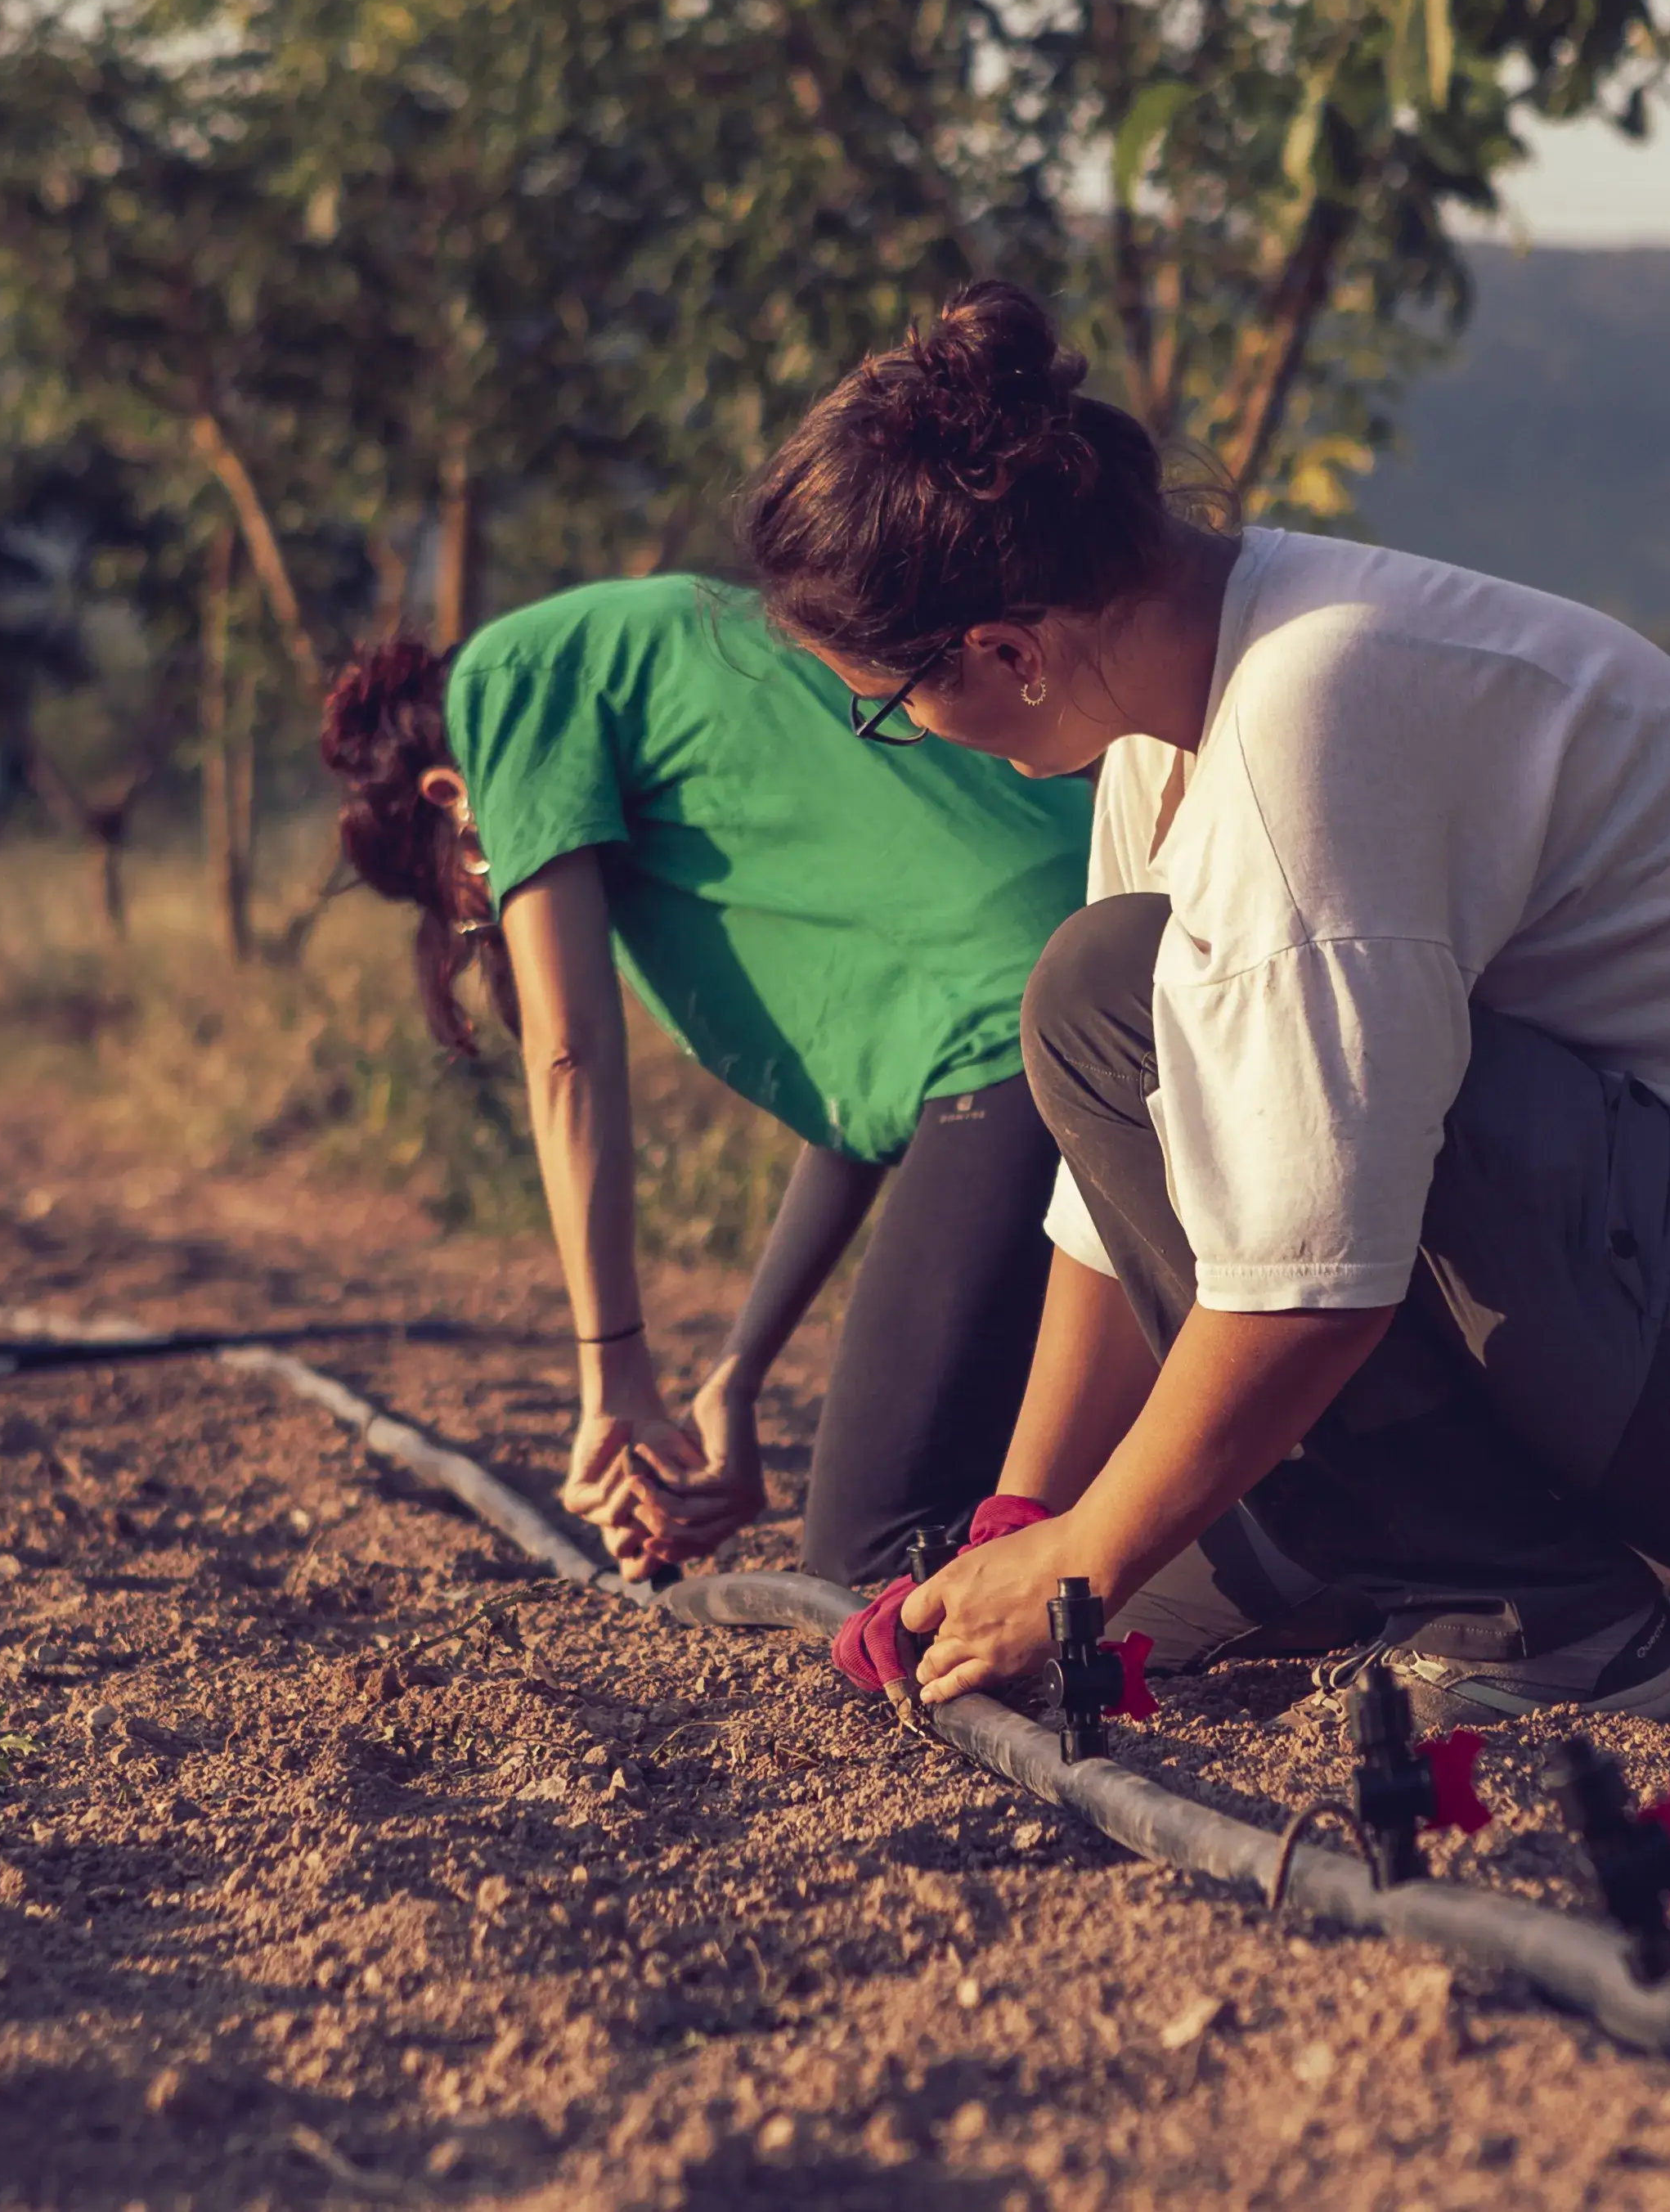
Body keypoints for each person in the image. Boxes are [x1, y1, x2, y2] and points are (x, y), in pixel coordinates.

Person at [739, 282, 1670, 1722]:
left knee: (1104, 1000)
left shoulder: (1311, 712)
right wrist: (1025, 1518)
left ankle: (1540, 1620)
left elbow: (1311, 1286)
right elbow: (1121, 1210)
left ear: (1005, 650)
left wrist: (1086, 1559)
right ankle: (1627, 1569)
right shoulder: (1160, 728)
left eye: (890, 702)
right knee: (1138, 1552)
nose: (913, 734)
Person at [319, 577, 1091, 1585]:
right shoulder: (663, 647)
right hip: (1090, 972)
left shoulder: (508, 683)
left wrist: (615, 1381)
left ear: (451, 803)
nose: (494, 917)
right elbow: (868, 1113)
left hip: (1021, 1041)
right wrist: (736, 1378)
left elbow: (567, 1050)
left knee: (872, 1558)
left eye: (475, 900)